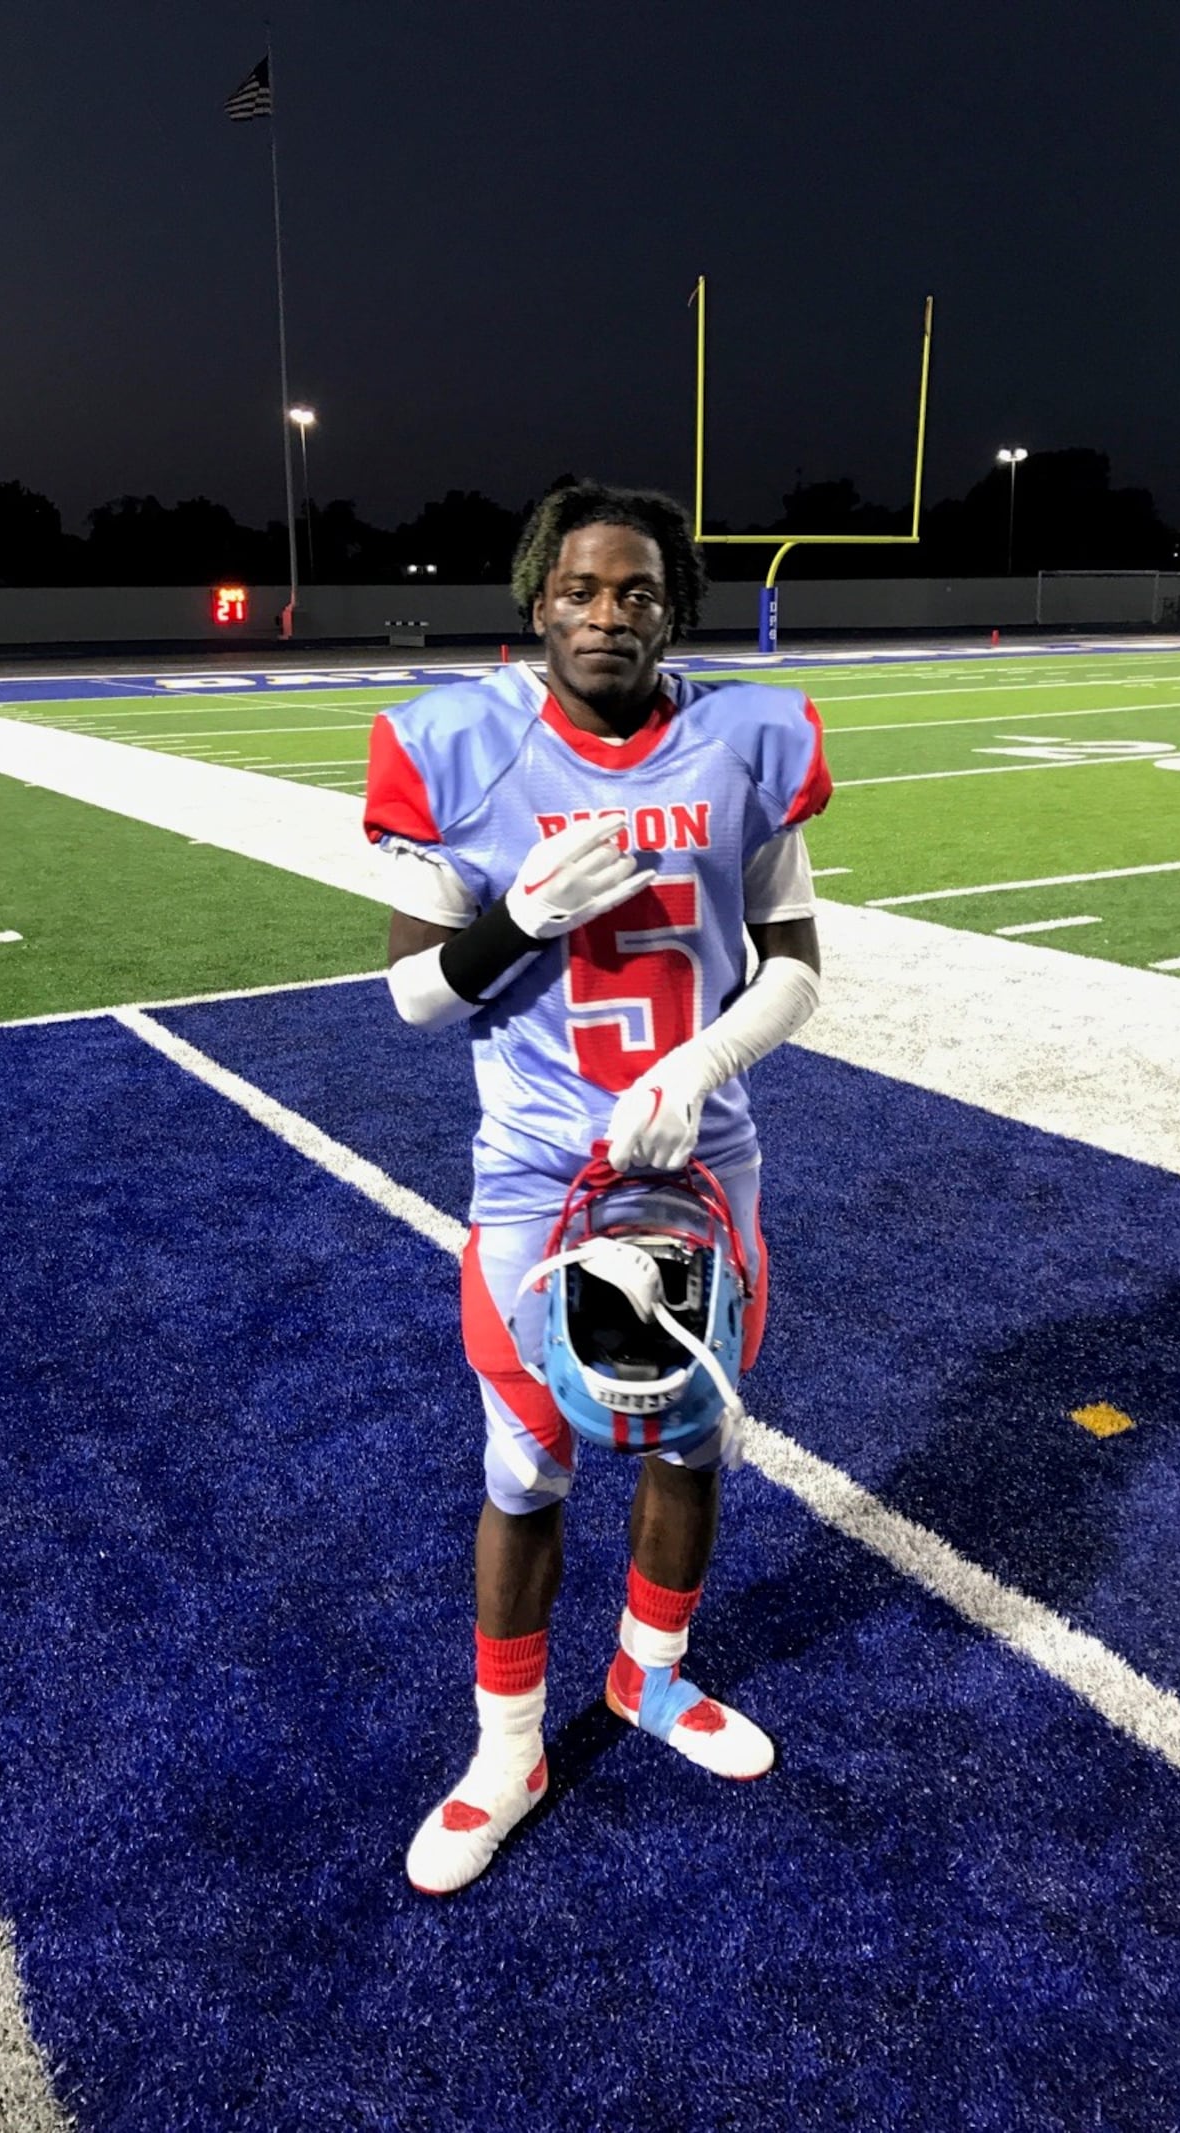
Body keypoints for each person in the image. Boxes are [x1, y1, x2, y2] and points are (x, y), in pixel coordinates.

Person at [363, 482, 830, 1894]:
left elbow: (799, 962)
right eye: (579, 589)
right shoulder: (462, 747)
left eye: (635, 590)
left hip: (699, 1153)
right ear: (536, 602)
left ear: (669, 606)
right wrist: (518, 922)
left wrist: (700, 1066)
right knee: (526, 1457)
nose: (606, 614)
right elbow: (409, 1000)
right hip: (536, 1166)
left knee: (690, 1432)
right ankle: (509, 1744)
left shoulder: (745, 737)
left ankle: (648, 1673)